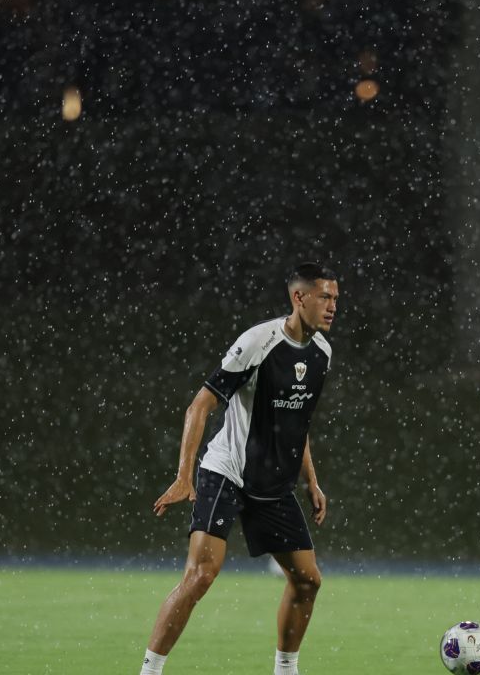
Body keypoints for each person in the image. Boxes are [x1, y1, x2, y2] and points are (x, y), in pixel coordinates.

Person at [138, 263, 339, 675]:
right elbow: (200, 404)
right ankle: (150, 671)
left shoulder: (322, 353)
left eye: (336, 298)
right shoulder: (258, 342)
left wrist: (311, 480)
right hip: (227, 472)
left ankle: (285, 670)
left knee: (308, 581)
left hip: (274, 486)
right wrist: (184, 475)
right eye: (325, 296)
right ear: (298, 298)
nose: (333, 305)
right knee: (200, 576)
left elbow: (299, 423)